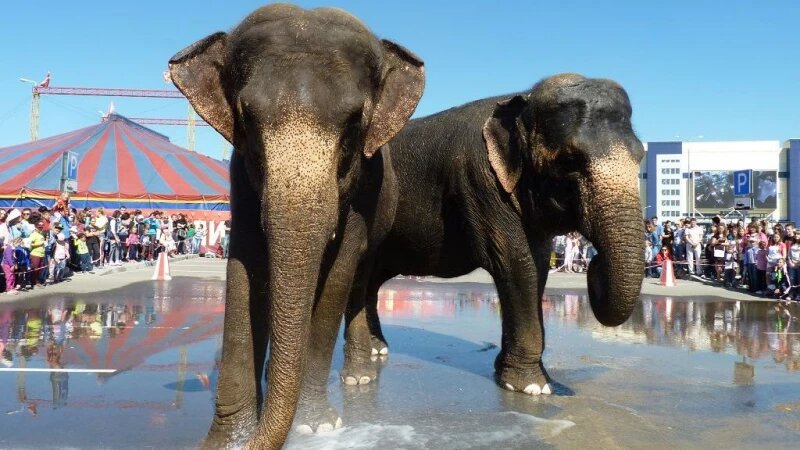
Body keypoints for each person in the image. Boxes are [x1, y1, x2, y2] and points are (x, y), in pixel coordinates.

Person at [28, 221, 47, 289]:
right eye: (39, 227)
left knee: (40, 269)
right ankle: (33, 283)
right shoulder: (33, 234)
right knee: (35, 270)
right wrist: (39, 244)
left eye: (41, 227)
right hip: (35, 254)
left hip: (42, 254)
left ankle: (37, 281)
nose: (40, 228)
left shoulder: (41, 234)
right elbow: (29, 244)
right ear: (36, 227)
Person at [787, 236, 800, 301]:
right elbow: (789, 254)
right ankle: (791, 294)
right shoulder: (792, 244)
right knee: (791, 279)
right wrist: (790, 262)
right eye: (796, 234)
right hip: (792, 264)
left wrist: (797, 263)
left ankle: (798, 294)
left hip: (799, 264)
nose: (796, 235)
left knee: (799, 280)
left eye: (798, 234)